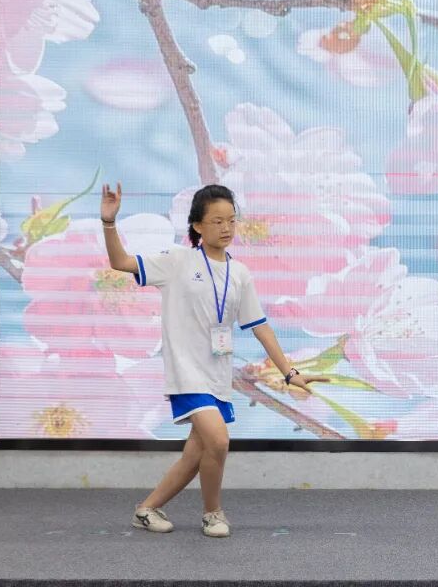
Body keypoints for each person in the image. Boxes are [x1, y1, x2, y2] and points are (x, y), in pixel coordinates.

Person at [100, 182, 327, 537]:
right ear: (197, 225)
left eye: (231, 220)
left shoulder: (240, 273)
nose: (226, 228)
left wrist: (289, 372)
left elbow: (260, 326)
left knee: (198, 453)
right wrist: (109, 223)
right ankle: (213, 514)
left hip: (218, 375)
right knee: (219, 441)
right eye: (217, 221)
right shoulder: (177, 261)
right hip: (186, 372)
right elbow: (120, 262)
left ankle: (146, 509)